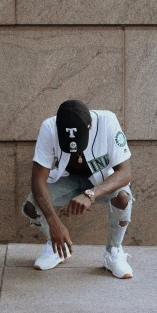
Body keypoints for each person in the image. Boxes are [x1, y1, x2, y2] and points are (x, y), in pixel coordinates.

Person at [22, 99, 134, 279]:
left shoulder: (107, 121)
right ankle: (56, 246)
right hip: (66, 180)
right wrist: (54, 223)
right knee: (32, 205)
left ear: (89, 127)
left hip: (101, 181)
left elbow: (125, 173)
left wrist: (91, 194)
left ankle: (113, 252)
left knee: (123, 197)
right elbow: (37, 181)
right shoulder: (49, 127)